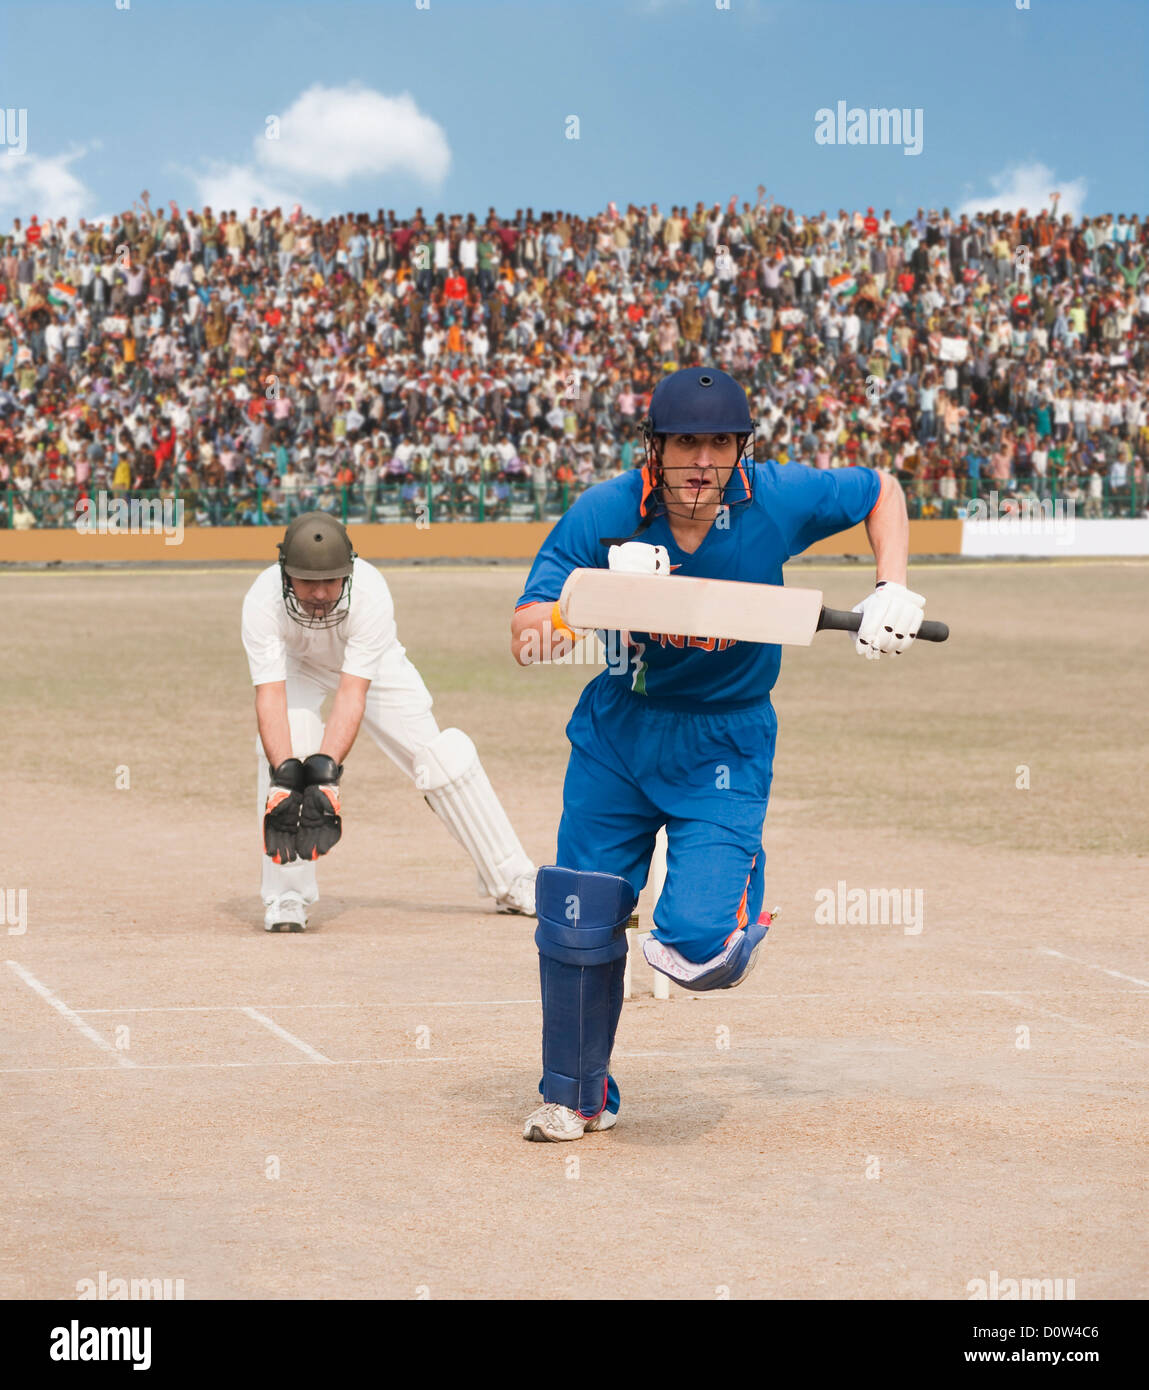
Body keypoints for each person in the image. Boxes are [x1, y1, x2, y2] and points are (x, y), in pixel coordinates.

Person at [510, 366, 930, 1141]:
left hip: (725, 742)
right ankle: (576, 1094)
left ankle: (733, 898)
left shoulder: (773, 497)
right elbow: (527, 636)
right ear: (654, 450)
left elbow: (882, 489)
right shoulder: (605, 512)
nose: (702, 460)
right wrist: (594, 595)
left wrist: (890, 586)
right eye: (685, 444)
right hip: (617, 733)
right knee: (578, 915)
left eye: (719, 443)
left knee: (698, 950)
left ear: (740, 448)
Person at [241, 511, 536, 931]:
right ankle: (287, 896)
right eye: (308, 582)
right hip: (295, 666)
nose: (321, 594)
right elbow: (269, 694)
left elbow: (351, 692)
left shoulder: (370, 593)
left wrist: (325, 774)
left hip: (369, 666)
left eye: (331, 580)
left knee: (442, 759)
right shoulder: (261, 600)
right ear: (286, 575)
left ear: (349, 571)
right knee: (288, 759)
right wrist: (286, 775)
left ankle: (513, 879)